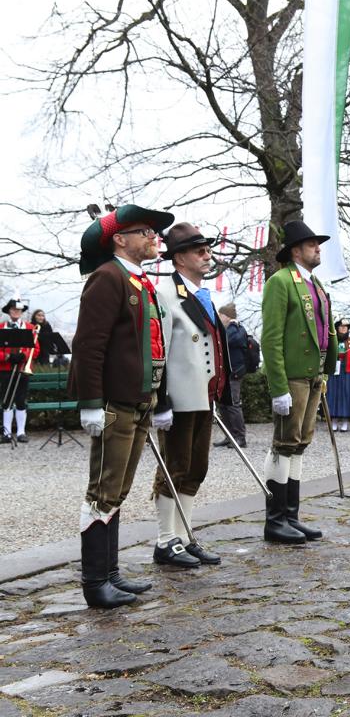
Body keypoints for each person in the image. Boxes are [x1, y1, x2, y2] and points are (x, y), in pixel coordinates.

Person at [71, 204, 174, 608]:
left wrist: (158, 398)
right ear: (120, 238)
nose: (154, 237)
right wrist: (91, 403)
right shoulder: (108, 277)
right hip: (114, 402)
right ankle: (96, 582)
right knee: (102, 490)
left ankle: (111, 573)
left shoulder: (138, 280)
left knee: (118, 491)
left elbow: (152, 346)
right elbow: (89, 345)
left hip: (138, 401)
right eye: (145, 231)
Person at [151, 223, 232, 569]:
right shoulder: (164, 293)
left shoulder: (202, 293)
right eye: (199, 250)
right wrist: (161, 400)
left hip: (203, 394)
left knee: (196, 467)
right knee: (174, 467)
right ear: (179, 257)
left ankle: (184, 536)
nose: (207, 255)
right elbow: (159, 348)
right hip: (179, 396)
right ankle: (164, 540)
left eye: (207, 249)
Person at [260, 220, 338, 544]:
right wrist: (277, 387)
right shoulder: (281, 281)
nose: (318, 248)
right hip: (291, 377)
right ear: (296, 251)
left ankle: (290, 515)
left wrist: (327, 370)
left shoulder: (315, 283)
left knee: (300, 444)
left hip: (312, 376)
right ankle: (275, 519)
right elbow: (271, 338)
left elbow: (326, 329)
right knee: (284, 443)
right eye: (311, 244)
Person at [0, 299, 38, 444]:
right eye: (13, 309)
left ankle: (21, 432)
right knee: (7, 401)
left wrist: (24, 356)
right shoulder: (1, 327)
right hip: (5, 369)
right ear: (9, 311)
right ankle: (7, 433)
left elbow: (36, 349)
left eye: (18, 310)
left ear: (21, 312)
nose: (16, 312)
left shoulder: (29, 327)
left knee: (21, 400)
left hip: (23, 369)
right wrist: (8, 357)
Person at [215, 303, 249, 448]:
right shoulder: (229, 329)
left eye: (220, 315)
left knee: (233, 405)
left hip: (235, 373)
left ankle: (240, 437)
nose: (218, 317)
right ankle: (230, 436)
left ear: (227, 316)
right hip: (226, 374)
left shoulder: (236, 329)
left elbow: (228, 341)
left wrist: (231, 325)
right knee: (223, 405)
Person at [327, 319, 350, 432]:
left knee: (346, 396)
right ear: (337, 328)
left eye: (346, 327)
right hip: (334, 372)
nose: (344, 328)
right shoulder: (332, 340)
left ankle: (345, 422)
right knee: (333, 395)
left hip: (348, 372)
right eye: (341, 326)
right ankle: (333, 421)